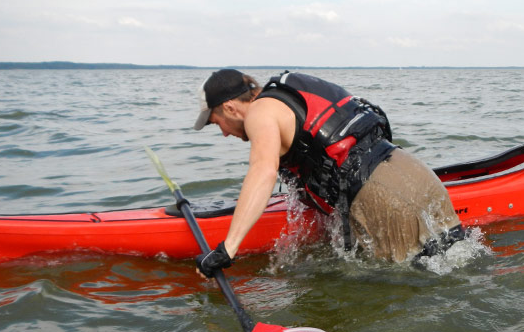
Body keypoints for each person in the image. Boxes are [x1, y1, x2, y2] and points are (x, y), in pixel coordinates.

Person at [193, 68, 464, 276]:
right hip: (413, 174)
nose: (225, 133)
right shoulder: (287, 96)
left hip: (384, 198)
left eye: (218, 123)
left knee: (405, 290)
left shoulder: (259, 113)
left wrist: (227, 248)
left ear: (229, 107)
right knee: (451, 265)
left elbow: (263, 171)